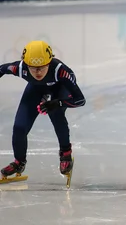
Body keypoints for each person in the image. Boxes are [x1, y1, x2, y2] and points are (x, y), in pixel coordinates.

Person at [0, 41, 85, 179]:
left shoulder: (61, 72)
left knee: (56, 115)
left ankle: (65, 153)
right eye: (33, 68)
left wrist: (59, 103)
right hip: (35, 89)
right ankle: (19, 161)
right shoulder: (20, 68)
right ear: (26, 64)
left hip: (59, 89)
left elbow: (80, 100)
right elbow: (1, 69)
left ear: (49, 62)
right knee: (19, 127)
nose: (38, 72)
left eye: (42, 67)